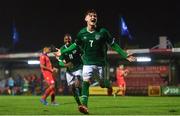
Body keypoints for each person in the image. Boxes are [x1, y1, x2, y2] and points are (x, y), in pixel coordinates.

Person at [59, 9, 136, 114]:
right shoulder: (81, 33)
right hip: (87, 63)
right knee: (86, 81)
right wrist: (63, 51)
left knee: (102, 84)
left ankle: (108, 86)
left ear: (96, 19)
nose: (93, 17)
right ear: (86, 18)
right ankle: (84, 106)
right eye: (90, 15)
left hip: (101, 64)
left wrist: (124, 55)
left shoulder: (103, 32)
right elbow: (75, 45)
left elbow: (113, 45)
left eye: (95, 16)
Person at [55, 33, 83, 108]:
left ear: (71, 39)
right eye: (66, 39)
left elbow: (83, 53)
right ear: (64, 40)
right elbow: (60, 62)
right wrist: (65, 65)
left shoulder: (76, 46)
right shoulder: (62, 49)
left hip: (78, 67)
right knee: (72, 89)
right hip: (69, 71)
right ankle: (79, 104)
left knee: (77, 82)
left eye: (69, 39)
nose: (67, 40)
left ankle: (81, 93)